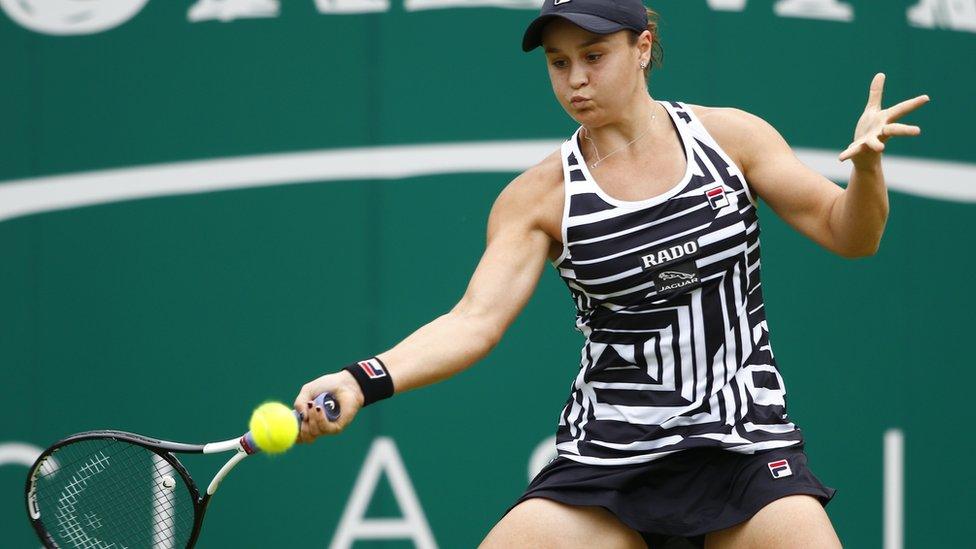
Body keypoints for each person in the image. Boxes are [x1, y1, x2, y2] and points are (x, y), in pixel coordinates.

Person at [292, 0, 929, 546]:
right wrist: (360, 380)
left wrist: (868, 172)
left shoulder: (731, 139)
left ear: (643, 47)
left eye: (594, 56)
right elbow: (474, 321)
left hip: (745, 448)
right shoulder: (538, 197)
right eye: (558, 62)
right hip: (607, 463)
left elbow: (853, 234)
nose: (576, 80)